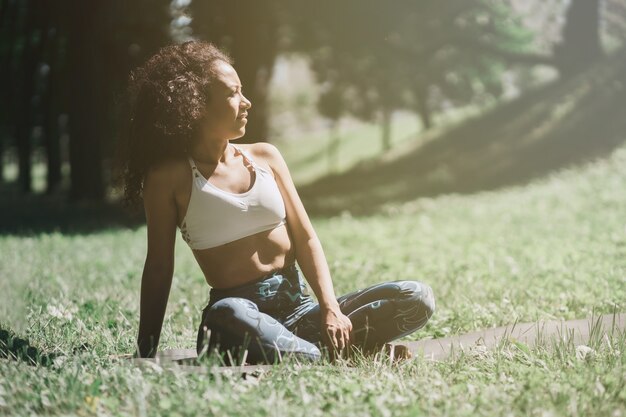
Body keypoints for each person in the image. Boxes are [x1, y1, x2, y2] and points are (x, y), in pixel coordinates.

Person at [121, 41, 435, 364]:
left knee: (416, 298)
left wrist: (330, 308)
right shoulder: (168, 179)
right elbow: (159, 267)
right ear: (195, 104)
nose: (247, 103)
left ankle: (317, 350)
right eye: (233, 93)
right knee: (227, 312)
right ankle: (336, 353)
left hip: (301, 312)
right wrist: (145, 353)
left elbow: (306, 238)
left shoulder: (266, 157)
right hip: (239, 318)